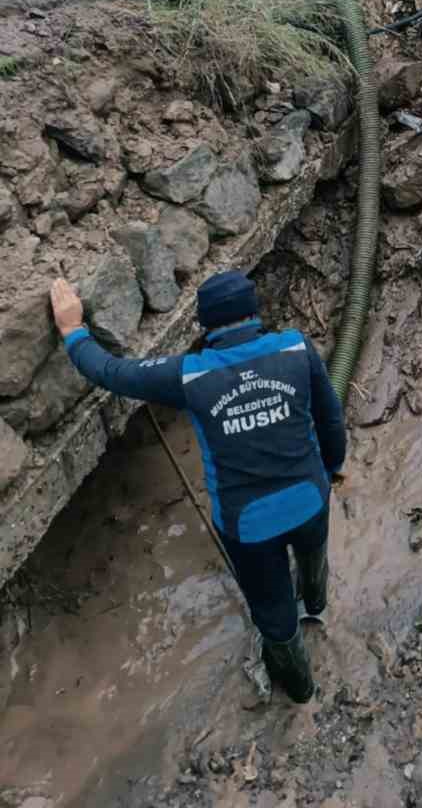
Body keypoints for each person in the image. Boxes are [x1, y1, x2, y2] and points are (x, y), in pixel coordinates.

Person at [49, 268, 345, 704]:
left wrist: (73, 329)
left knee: (274, 613)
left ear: (204, 325)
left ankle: (301, 690)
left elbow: (112, 371)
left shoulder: (189, 375)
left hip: (248, 526)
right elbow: (331, 419)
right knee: (312, 554)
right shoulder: (296, 348)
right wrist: (333, 466)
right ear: (254, 312)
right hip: (310, 499)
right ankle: (316, 604)